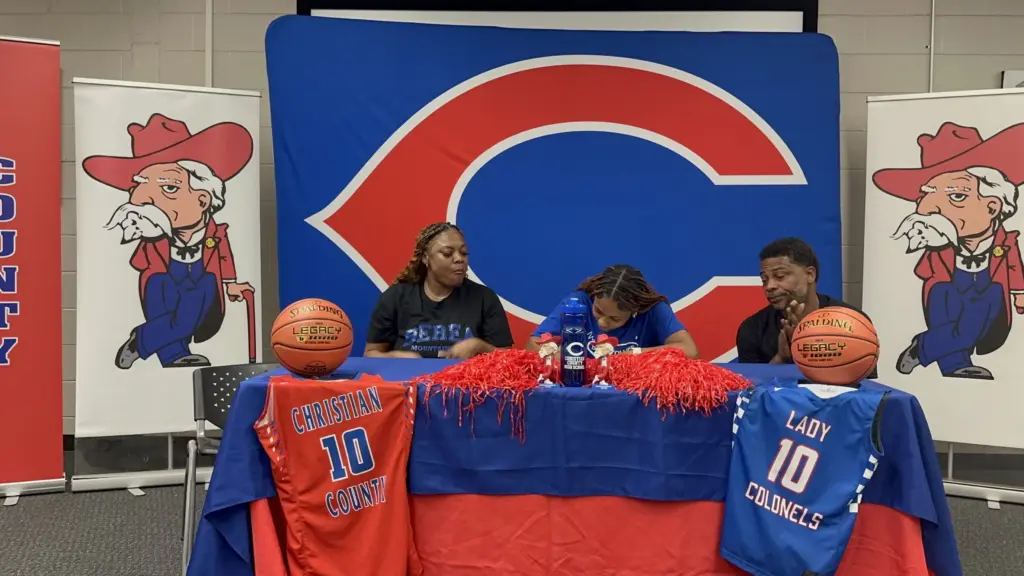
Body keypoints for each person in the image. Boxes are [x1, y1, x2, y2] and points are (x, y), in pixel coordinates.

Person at [365, 222, 513, 359]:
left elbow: (508, 359)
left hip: (465, 379)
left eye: (463, 253)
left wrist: (480, 347)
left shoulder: (484, 298)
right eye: (447, 253)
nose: (459, 259)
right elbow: (371, 354)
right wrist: (396, 358)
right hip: (409, 378)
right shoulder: (396, 297)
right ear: (426, 258)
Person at [736, 238, 874, 376]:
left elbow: (865, 386)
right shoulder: (752, 329)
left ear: (810, 275)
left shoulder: (853, 323)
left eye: (780, 276)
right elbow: (750, 386)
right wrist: (781, 358)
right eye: (764, 280)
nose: (769, 286)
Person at [525, 264, 699, 358]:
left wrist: (634, 354)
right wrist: (566, 359)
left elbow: (689, 350)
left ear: (634, 310)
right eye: (598, 311)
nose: (602, 322)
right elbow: (532, 344)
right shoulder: (577, 303)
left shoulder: (653, 310)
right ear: (594, 295)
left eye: (614, 319)